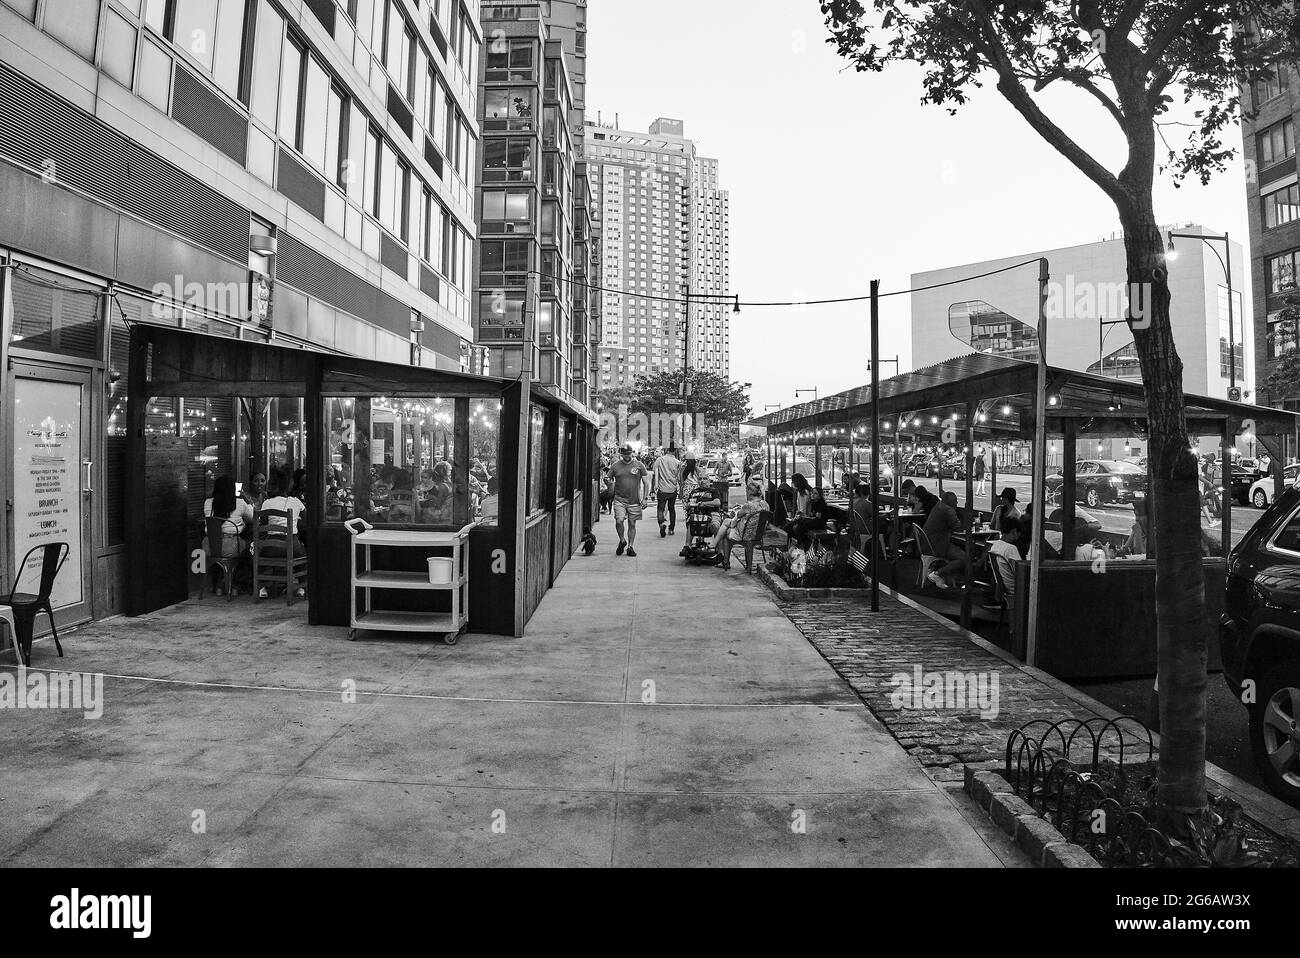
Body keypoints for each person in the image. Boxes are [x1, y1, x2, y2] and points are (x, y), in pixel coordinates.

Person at [255, 467, 308, 598]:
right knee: (303, 552)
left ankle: (262, 588)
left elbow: (264, 522)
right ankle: (301, 587)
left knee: (258, 552)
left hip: (270, 547)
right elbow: (307, 520)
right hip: (291, 545)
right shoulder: (296, 502)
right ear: (288, 485)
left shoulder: (267, 503)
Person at [203, 475, 254, 595]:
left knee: (229, 556)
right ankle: (235, 584)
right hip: (230, 546)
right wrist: (246, 499)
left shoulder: (207, 502)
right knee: (252, 548)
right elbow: (254, 518)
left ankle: (221, 583)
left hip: (209, 546)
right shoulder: (240, 503)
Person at [709, 481, 769, 568]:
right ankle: (716, 547)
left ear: (748, 492)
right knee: (727, 525)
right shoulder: (765, 504)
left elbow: (738, 516)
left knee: (726, 529)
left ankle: (723, 558)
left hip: (745, 534)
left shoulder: (748, 505)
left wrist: (736, 511)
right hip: (758, 534)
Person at [609, 442, 650, 556]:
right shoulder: (615, 465)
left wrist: (645, 498)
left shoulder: (639, 465)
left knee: (632, 524)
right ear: (621, 454)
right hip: (619, 499)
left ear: (632, 453)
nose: (627, 456)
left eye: (629, 454)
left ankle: (630, 547)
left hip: (634, 500)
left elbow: (646, 483)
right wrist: (608, 482)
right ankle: (622, 540)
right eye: (625, 454)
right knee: (619, 520)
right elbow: (608, 478)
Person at [924, 490, 966, 589]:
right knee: (965, 557)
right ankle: (938, 573)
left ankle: (947, 575)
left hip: (927, 543)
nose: (957, 503)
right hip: (937, 545)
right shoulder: (948, 510)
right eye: (955, 501)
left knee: (959, 551)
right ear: (951, 502)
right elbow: (958, 527)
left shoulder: (938, 506)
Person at [984, 515, 1023, 607]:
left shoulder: (995, 545)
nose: (1018, 537)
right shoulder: (1011, 549)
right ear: (1014, 531)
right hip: (1016, 590)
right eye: (1018, 534)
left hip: (1006, 588)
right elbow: (1021, 573)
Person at [653, 444, 683, 537]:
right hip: (672, 489)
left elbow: (655, 474)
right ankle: (671, 529)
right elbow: (679, 477)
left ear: (667, 450)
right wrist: (680, 489)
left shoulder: (659, 460)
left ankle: (661, 524)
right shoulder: (678, 462)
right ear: (675, 451)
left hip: (662, 489)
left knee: (660, 508)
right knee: (671, 509)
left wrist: (655, 486)